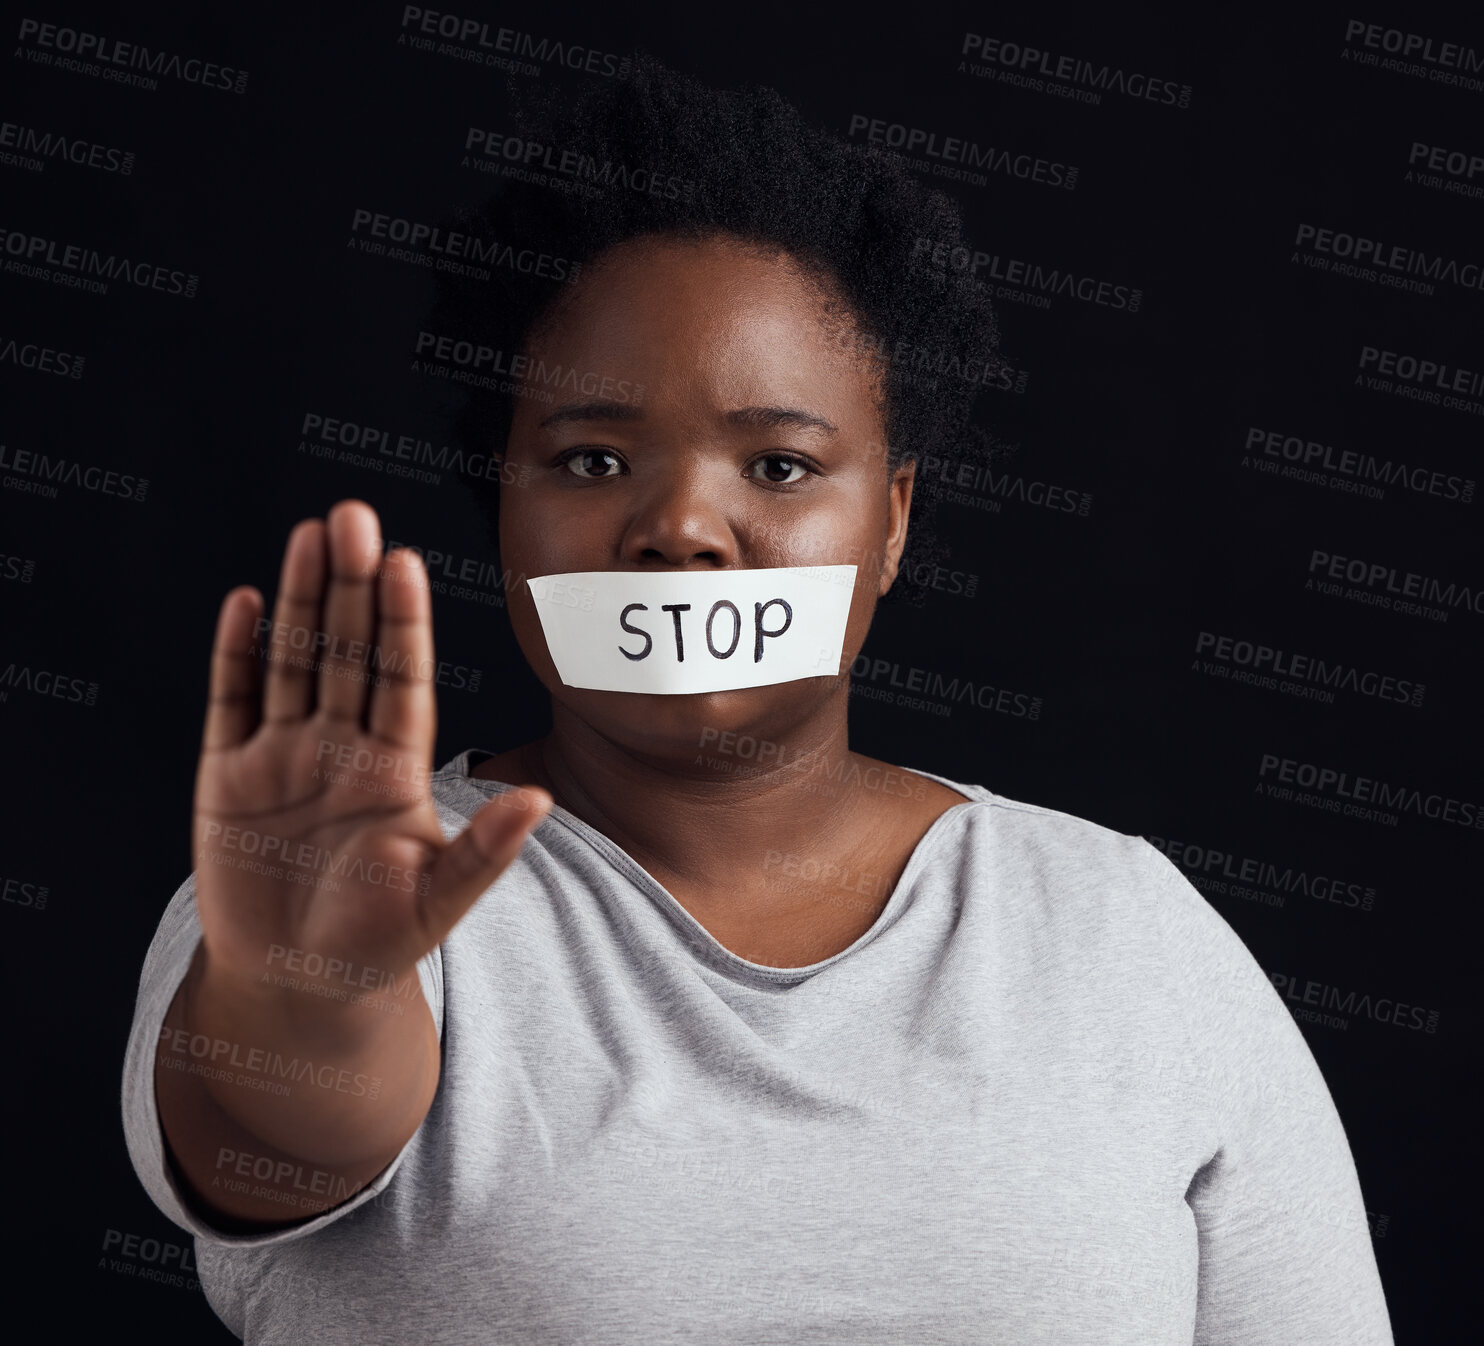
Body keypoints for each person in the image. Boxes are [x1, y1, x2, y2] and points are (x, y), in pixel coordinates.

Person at [123, 55, 1395, 1344]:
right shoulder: (344, 891)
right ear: (503, 498)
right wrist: (305, 1001)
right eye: (592, 458)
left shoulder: (1126, 939)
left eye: (779, 464)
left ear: (890, 521)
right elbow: (272, 1138)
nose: (681, 526)